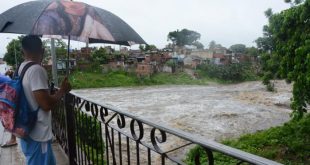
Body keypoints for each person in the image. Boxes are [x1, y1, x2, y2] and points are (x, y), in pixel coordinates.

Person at [19, 35, 71, 165]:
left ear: (22, 51)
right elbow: (46, 104)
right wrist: (62, 91)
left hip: (25, 127)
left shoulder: (22, 68)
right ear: (42, 51)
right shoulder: (36, 70)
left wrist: (49, 93)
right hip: (37, 133)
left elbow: (33, 95)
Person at [1, 70, 17, 148]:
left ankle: (13, 139)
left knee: (9, 119)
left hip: (8, 96)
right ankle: (13, 139)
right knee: (9, 119)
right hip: (9, 94)